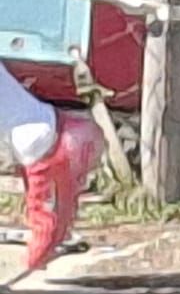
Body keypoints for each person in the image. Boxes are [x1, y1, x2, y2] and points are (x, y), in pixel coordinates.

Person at [1, 67, 103, 273]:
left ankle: (41, 252)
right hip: (45, 134)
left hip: (39, 140)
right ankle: (45, 249)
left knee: (46, 219)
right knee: (48, 215)